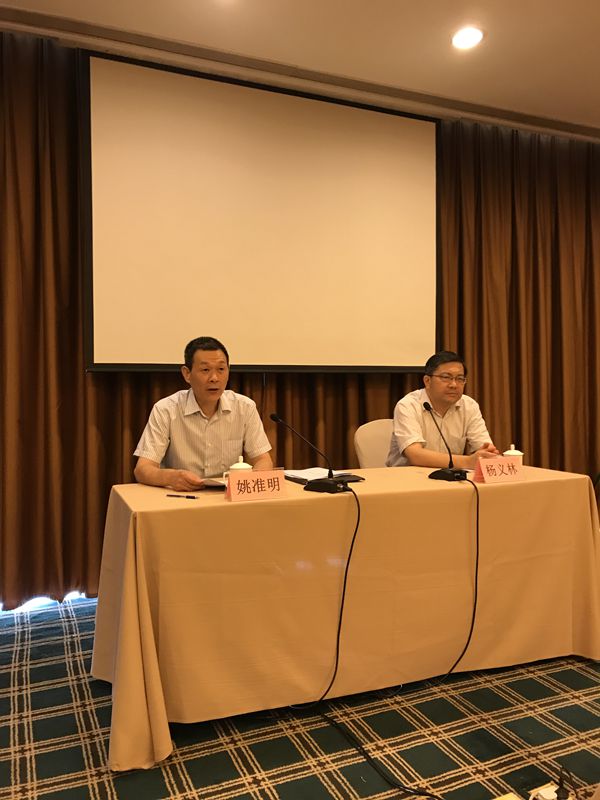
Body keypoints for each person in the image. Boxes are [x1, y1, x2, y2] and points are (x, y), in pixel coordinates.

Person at [134, 336, 273, 491]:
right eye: (205, 370)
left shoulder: (244, 407)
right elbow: (142, 469)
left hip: (228, 496)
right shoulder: (166, 409)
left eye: (221, 369)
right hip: (181, 496)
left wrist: (250, 482)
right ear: (187, 374)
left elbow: (263, 460)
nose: (214, 378)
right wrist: (171, 477)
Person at [386, 350, 499, 469]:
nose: (454, 385)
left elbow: (484, 447)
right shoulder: (408, 405)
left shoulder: (469, 405)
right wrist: (468, 462)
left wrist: (487, 454)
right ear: (427, 381)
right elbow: (415, 455)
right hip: (408, 476)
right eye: (446, 377)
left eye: (460, 378)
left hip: (450, 476)